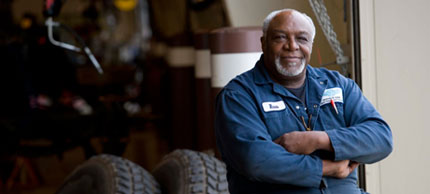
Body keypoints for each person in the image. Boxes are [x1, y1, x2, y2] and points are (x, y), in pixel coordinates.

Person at [214, 8, 393, 194]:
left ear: (311, 44)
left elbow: (381, 137)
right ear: (264, 43)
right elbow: (255, 160)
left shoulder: (338, 85)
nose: (292, 46)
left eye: (302, 39)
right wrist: (327, 168)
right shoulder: (239, 95)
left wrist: (318, 140)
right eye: (280, 38)